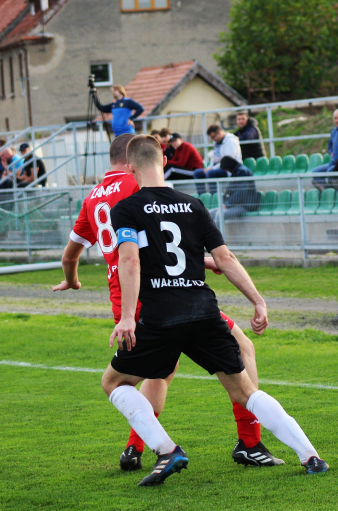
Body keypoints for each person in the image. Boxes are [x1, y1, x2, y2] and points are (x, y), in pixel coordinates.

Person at [104, 134, 327, 486]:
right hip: (203, 310)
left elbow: (130, 260)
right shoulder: (193, 204)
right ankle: (311, 455)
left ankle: (166, 449)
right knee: (245, 391)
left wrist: (129, 316)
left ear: (130, 168)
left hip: (161, 316)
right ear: (164, 160)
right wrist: (257, 300)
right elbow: (225, 259)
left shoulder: (127, 209)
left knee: (114, 381)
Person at [53, 133, 283, 471]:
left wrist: (72, 281)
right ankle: (249, 443)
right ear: (139, 162)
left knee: (159, 373)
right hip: (161, 292)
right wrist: (205, 261)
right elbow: (166, 240)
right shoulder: (139, 188)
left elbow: (70, 254)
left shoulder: (92, 198)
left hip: (123, 299)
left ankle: (137, 448)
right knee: (242, 347)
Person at [193, 125, 242, 194]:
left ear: (219, 133)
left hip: (229, 170)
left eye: (213, 137)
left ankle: (214, 197)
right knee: (197, 173)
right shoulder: (217, 142)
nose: (213, 139)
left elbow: (228, 161)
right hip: (217, 167)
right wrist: (210, 167)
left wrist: (212, 168)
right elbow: (214, 157)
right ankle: (202, 197)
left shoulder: (230, 141)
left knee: (210, 173)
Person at [209, 156, 259, 225]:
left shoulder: (242, 172)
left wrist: (228, 204)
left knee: (220, 214)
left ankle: (216, 236)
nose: (226, 171)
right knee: (209, 213)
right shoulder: (236, 172)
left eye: (226, 169)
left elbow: (241, 192)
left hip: (245, 205)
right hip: (235, 204)